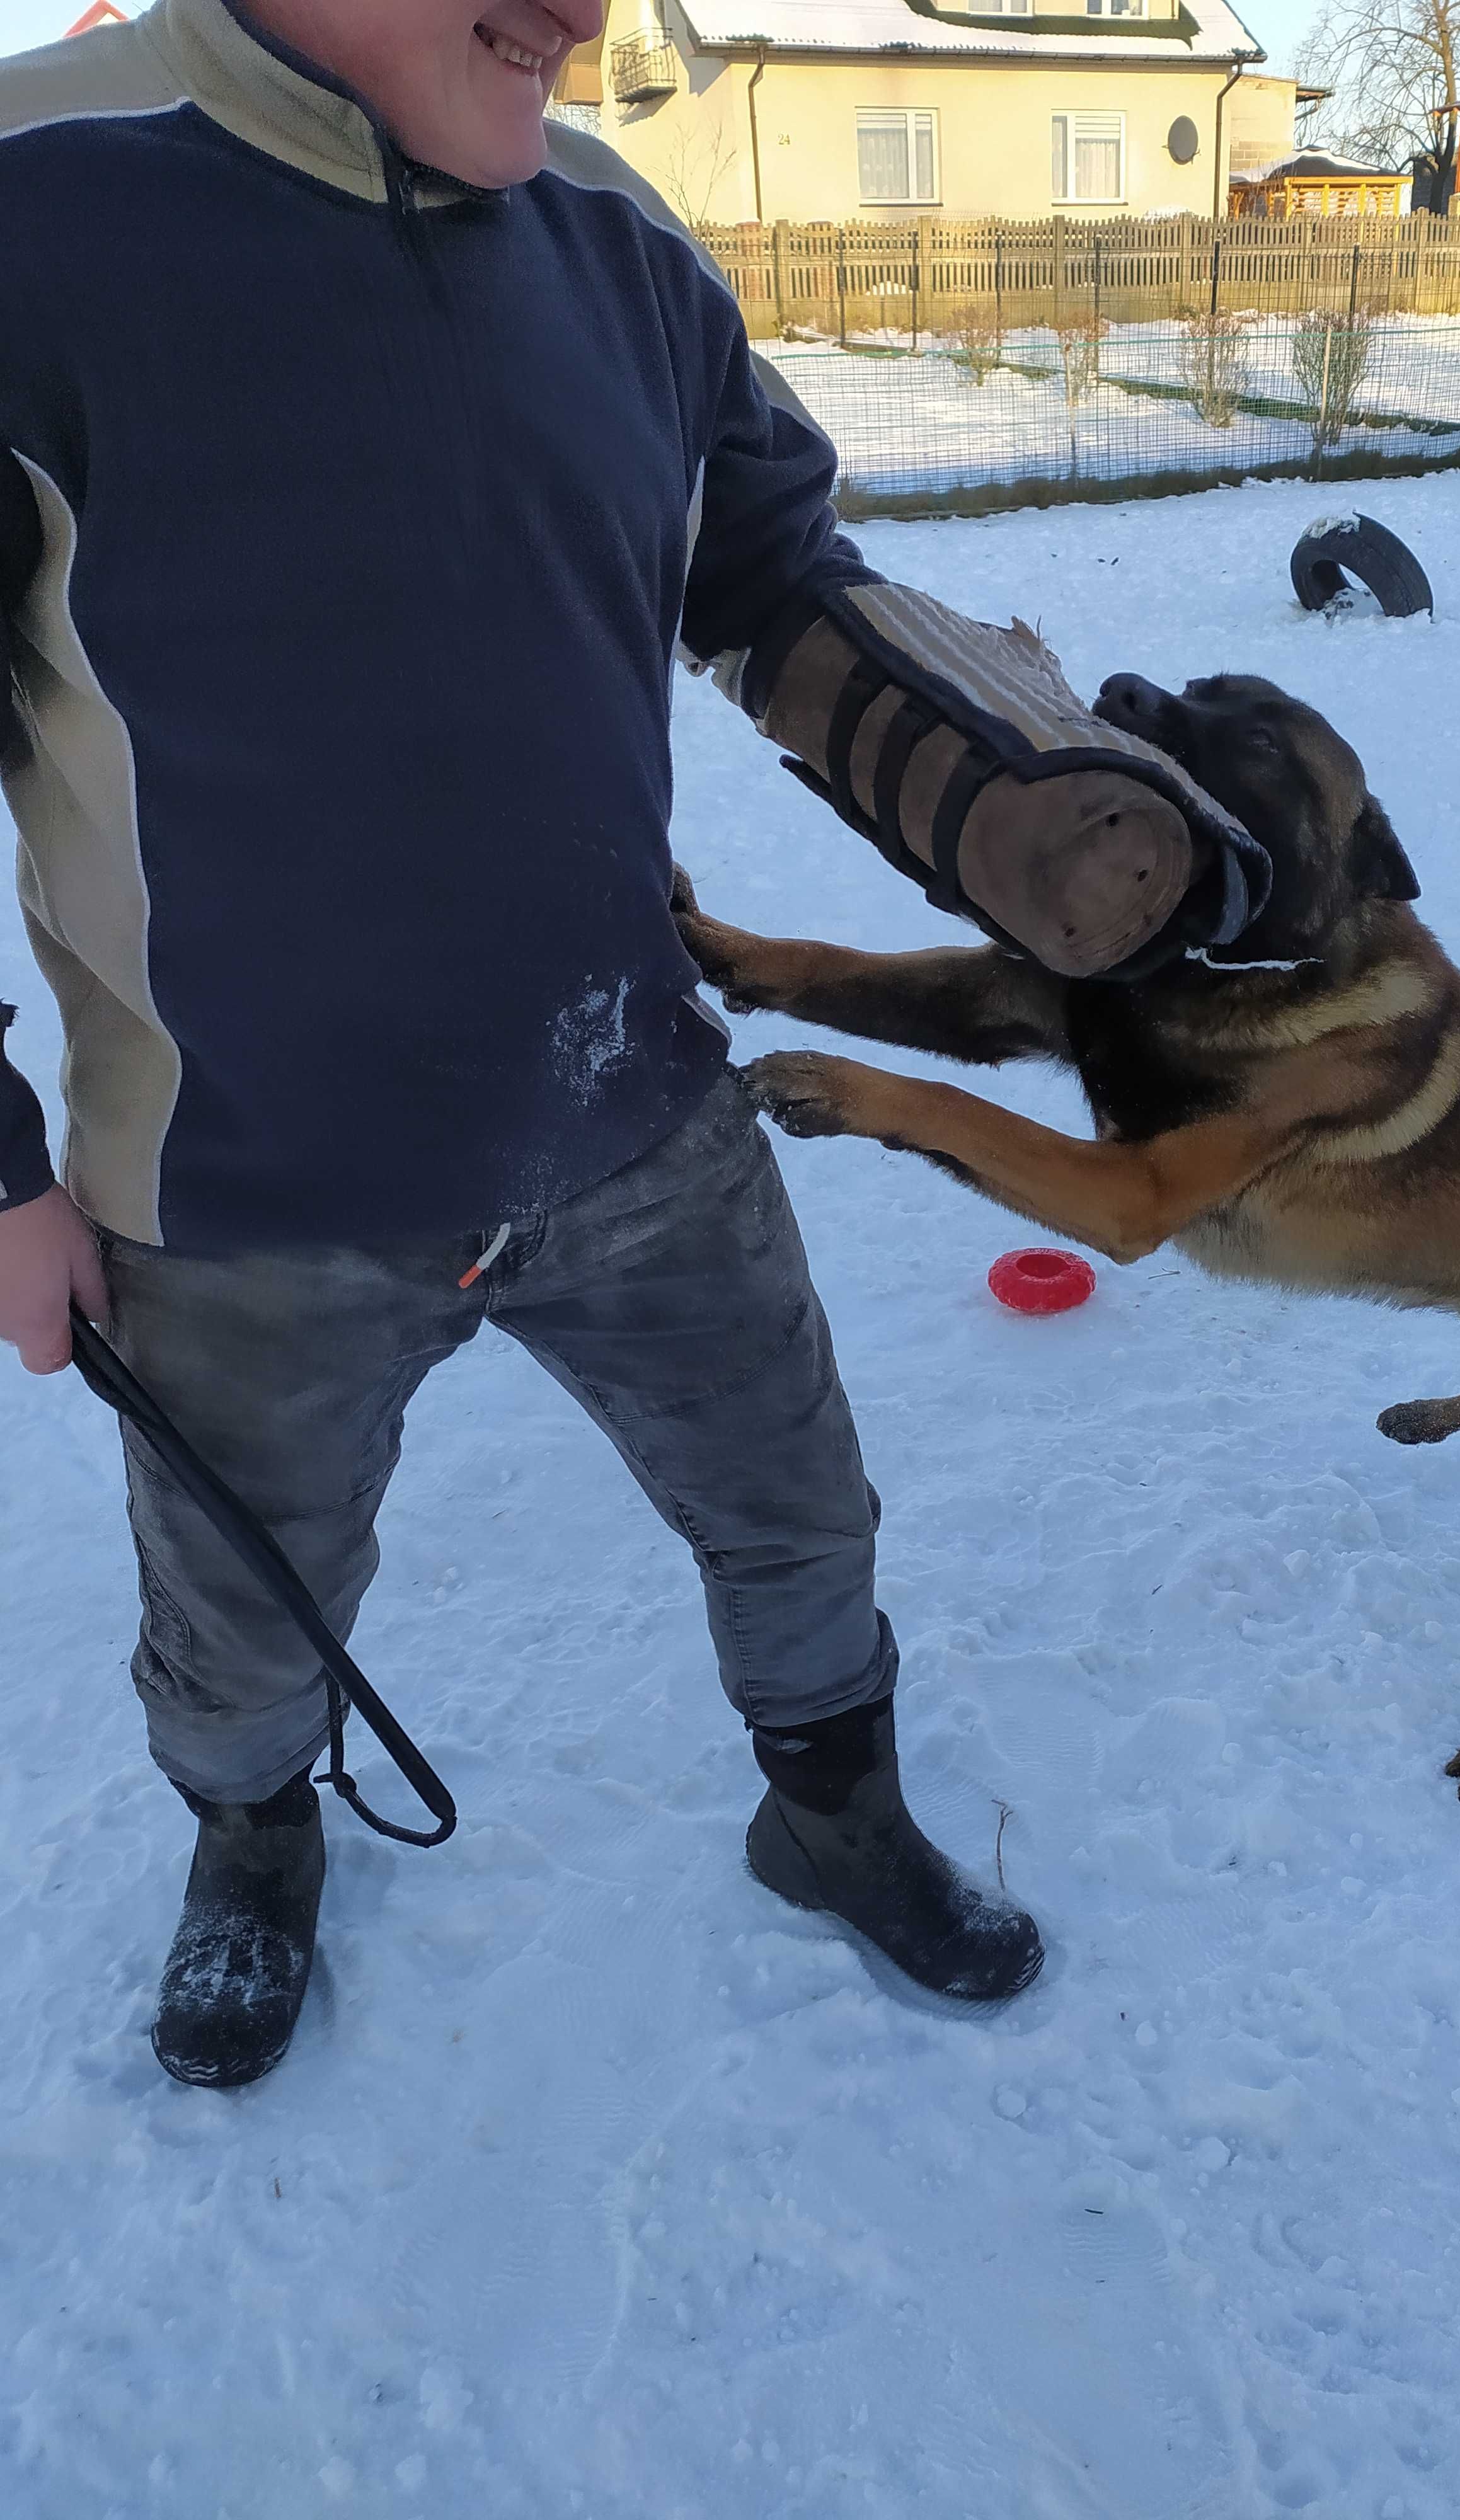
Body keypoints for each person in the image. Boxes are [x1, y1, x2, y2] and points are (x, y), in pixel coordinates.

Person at [0, 0, 1262, 2090]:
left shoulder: (620, 238)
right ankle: (252, 1846)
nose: (589, 13)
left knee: (798, 1511)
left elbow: (772, 575)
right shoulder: (38, 205)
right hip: (237, 1192)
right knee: (243, 1610)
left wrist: (1020, 783)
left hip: (636, 1117)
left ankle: (831, 1808)